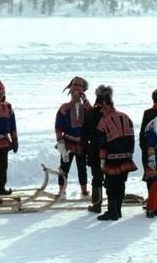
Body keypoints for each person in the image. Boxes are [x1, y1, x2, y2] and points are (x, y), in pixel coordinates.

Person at [95, 87, 137, 221]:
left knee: (111, 186)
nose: (100, 110)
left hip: (112, 160)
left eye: (100, 107)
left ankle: (112, 212)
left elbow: (101, 144)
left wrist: (102, 161)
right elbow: (132, 139)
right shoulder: (126, 117)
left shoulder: (103, 122)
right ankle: (118, 210)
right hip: (126, 159)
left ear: (105, 104)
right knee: (121, 184)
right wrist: (129, 155)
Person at [55, 76, 92, 198]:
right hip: (67, 143)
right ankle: (61, 190)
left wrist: (86, 101)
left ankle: (84, 190)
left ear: (81, 94)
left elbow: (94, 116)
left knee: (82, 168)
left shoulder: (86, 108)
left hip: (82, 143)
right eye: (73, 92)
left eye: (77, 93)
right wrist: (60, 143)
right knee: (64, 168)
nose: (74, 95)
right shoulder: (64, 108)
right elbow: (58, 127)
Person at [81, 84, 110, 213]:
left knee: (97, 177)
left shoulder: (91, 115)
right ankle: (113, 205)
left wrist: (85, 149)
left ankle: (97, 205)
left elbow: (84, 135)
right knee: (111, 177)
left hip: (95, 150)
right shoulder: (112, 114)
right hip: (111, 150)